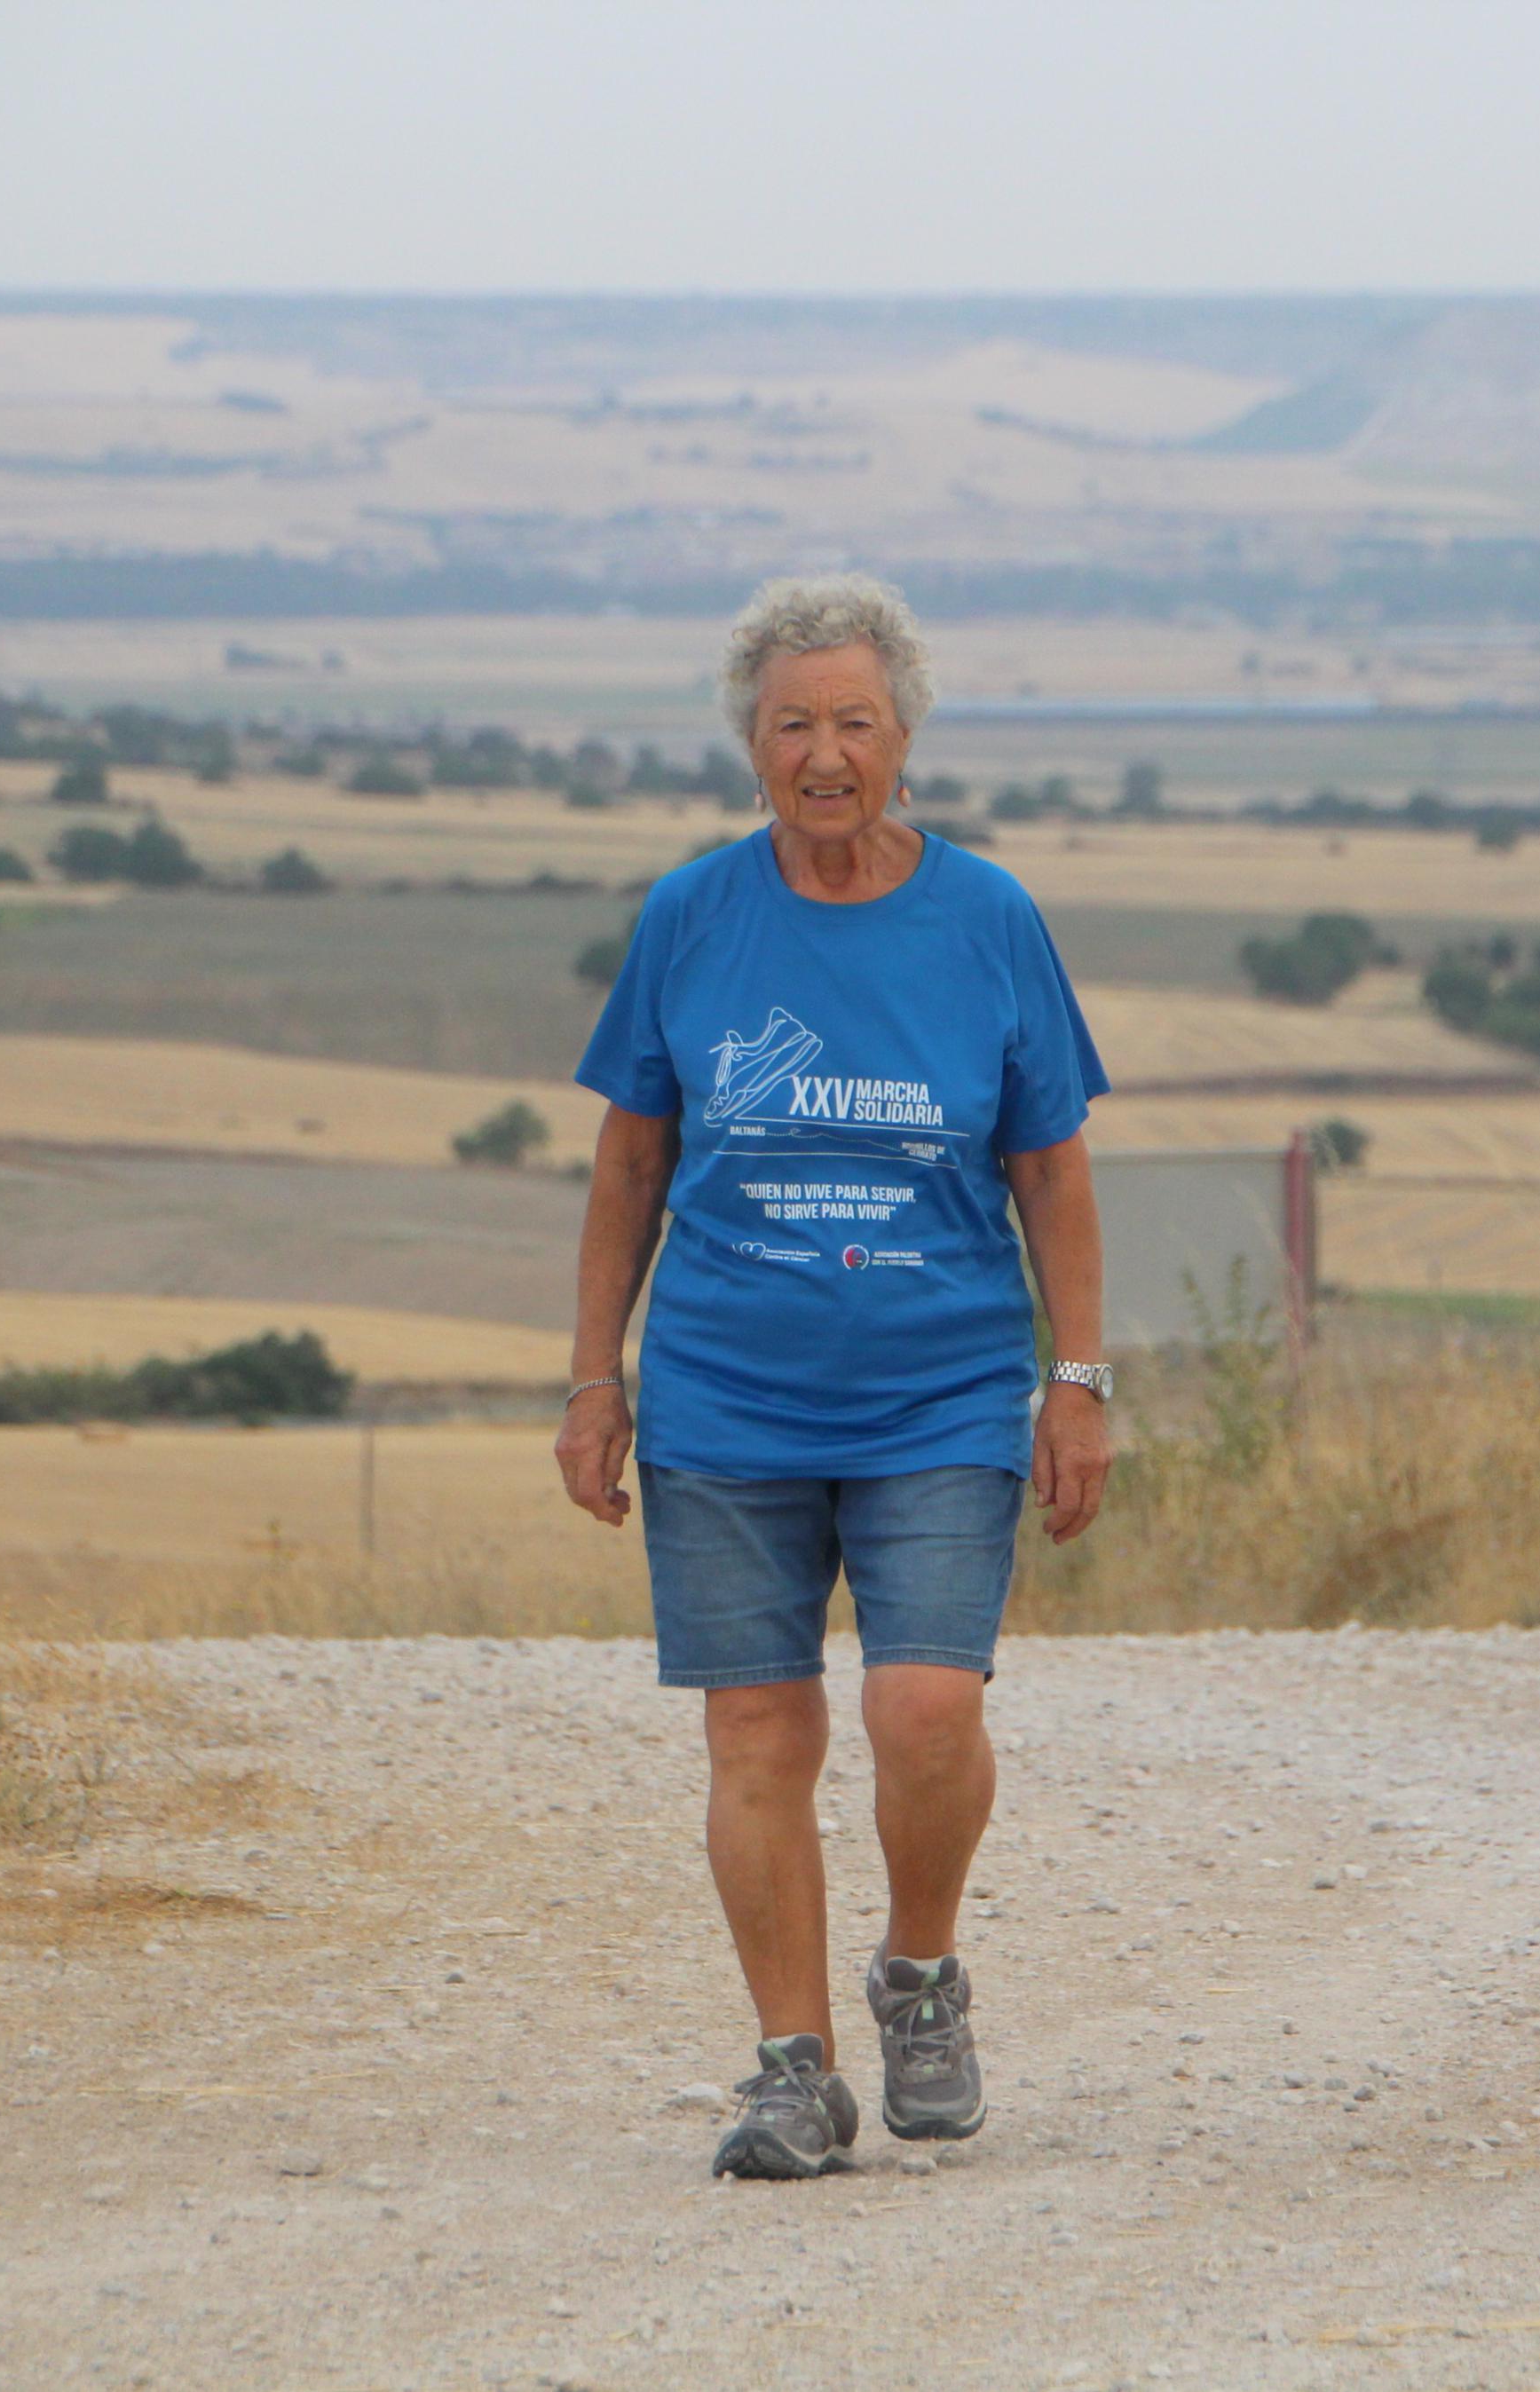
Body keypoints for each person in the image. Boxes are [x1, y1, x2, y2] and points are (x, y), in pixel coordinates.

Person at [557, 572, 1117, 2181]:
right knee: (760, 1736)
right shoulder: (691, 918)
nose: (822, 753)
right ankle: (793, 2070)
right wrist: (596, 1381)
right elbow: (629, 1164)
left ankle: (920, 1974)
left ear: (904, 737)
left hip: (941, 1384)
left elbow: (1055, 1174)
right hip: (728, 1390)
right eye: (791, 722)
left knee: (925, 1706)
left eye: (852, 722)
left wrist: (1074, 1377)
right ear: (749, 742)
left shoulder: (989, 919)